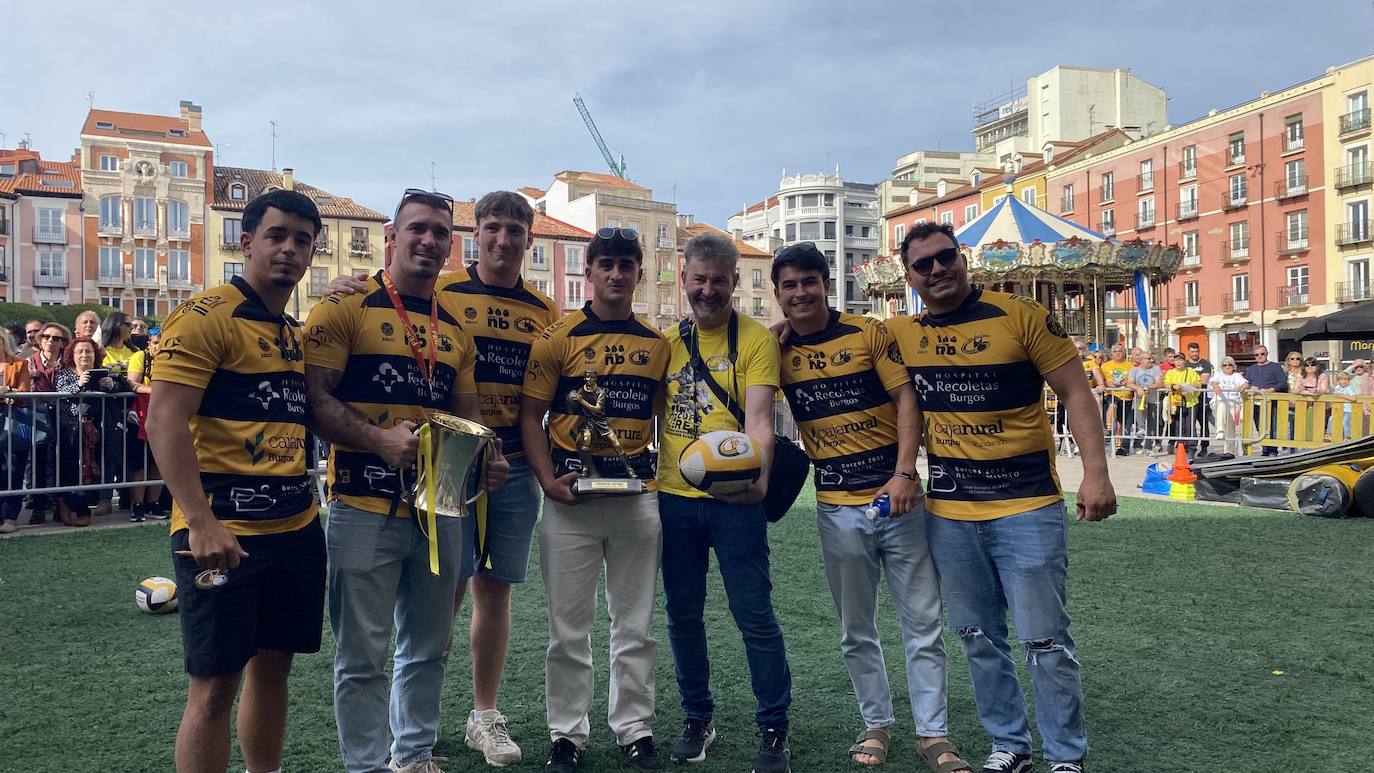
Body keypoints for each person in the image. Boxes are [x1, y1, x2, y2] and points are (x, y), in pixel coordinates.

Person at [324, 190, 559, 767]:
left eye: (437, 233)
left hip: (467, 482)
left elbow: (475, 410)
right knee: (384, 641)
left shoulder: (521, 314)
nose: (427, 242)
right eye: (417, 231)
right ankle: (374, 760)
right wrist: (347, 287)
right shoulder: (395, 299)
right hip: (369, 493)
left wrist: (489, 456)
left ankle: (436, 740)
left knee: (459, 616)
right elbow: (315, 394)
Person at [889, 222, 1115, 773]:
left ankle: (1065, 756)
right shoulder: (902, 332)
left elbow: (1076, 394)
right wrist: (781, 330)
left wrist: (1097, 474)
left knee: (1043, 637)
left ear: (962, 258)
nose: (937, 270)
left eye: (946, 258)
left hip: (1028, 507)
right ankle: (1008, 745)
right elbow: (838, 336)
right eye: (924, 264)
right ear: (910, 276)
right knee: (978, 637)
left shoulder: (1023, 317)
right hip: (950, 514)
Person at [145, 189, 328, 773]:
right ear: (246, 242)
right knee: (213, 688)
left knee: (274, 670)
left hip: (296, 527)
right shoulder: (204, 317)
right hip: (223, 531)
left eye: (302, 240)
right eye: (277, 236)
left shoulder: (292, 333)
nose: (290, 250)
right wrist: (199, 520)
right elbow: (163, 420)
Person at [771, 242, 971, 772]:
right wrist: (767, 341)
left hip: (898, 499)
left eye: (808, 282)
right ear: (778, 294)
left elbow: (908, 399)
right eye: (788, 285)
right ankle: (876, 723)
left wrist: (906, 473)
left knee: (923, 622)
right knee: (856, 628)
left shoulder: (867, 332)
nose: (800, 293)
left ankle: (934, 735)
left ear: (826, 284)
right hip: (836, 505)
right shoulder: (776, 350)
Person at [518, 227, 668, 773]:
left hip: (635, 498)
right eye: (606, 263)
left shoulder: (658, 343)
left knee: (636, 624)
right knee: (567, 627)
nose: (615, 274)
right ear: (589, 270)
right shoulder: (557, 337)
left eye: (626, 264)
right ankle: (567, 734)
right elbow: (529, 417)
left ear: (638, 273)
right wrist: (544, 479)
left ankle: (635, 728)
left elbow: (662, 419)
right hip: (569, 499)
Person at [655, 232, 792, 773]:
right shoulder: (665, 343)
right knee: (682, 614)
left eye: (718, 280)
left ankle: (774, 725)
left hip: (737, 500)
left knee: (754, 614)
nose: (708, 289)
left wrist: (756, 482)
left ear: (735, 281)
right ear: (683, 278)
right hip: (674, 498)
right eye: (699, 279)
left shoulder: (756, 341)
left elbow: (760, 420)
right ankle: (697, 716)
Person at [54, 336, 127, 526]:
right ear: (72, 354)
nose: (85, 355)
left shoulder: (105, 371)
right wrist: (78, 384)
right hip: (71, 428)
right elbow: (60, 391)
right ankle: (66, 505)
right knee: (73, 469)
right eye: (80, 351)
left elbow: (123, 388)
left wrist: (113, 386)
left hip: (98, 427)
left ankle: (86, 507)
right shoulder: (64, 373)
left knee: (93, 469)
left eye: (89, 351)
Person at [24, 322, 67, 524]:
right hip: (37, 416)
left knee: (63, 460)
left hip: (64, 416)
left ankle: (61, 506)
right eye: (47, 337)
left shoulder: (68, 362)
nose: (51, 341)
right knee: (38, 461)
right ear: (40, 340)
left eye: (56, 338)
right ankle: (39, 507)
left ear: (63, 342)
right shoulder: (29, 362)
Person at [126, 329, 167, 522]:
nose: (159, 346)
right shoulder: (139, 357)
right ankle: (138, 505)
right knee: (139, 463)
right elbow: (132, 384)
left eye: (163, 342)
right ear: (149, 343)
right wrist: (156, 391)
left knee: (159, 462)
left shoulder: (172, 359)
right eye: (156, 342)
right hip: (140, 416)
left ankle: (153, 503)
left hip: (165, 416)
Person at [0, 333, 32, 532]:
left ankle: (10, 516)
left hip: (13, 421)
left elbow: (25, 391)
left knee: (14, 468)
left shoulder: (19, 364)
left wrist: (7, 390)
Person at [1245, 346, 1288, 456]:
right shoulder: (1251, 369)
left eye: (1262, 354)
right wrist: (1250, 387)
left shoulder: (1275, 367)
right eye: (1257, 354)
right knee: (1260, 426)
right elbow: (1247, 382)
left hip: (1271, 402)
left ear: (1266, 354)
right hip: (1256, 402)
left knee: (1272, 426)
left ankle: (1273, 450)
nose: (1259, 356)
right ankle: (1265, 448)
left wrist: (1270, 390)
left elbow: (1282, 382)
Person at [1160, 353, 1201, 451]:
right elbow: (1166, 384)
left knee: (1191, 425)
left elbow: (1198, 382)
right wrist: (1174, 386)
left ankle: (1191, 447)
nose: (1178, 362)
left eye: (1180, 360)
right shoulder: (1170, 372)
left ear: (1184, 361)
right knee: (1179, 425)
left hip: (1191, 401)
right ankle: (1180, 445)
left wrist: (1190, 387)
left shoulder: (1190, 372)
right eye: (1176, 360)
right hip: (1176, 402)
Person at [1100, 344, 1134, 456]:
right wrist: (1109, 384)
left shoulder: (1130, 365)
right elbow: (1102, 381)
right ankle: (1109, 428)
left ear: (1123, 352)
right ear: (1111, 353)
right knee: (1112, 405)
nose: (1117, 353)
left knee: (1120, 423)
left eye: (1120, 351)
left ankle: (1119, 447)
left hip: (1126, 397)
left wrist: (1125, 382)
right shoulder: (1105, 366)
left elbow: (1132, 380)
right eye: (1115, 351)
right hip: (1111, 394)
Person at [1127, 352, 1164, 454]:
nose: (1151, 360)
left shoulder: (1155, 369)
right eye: (1148, 358)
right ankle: (1141, 431)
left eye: (1151, 358)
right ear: (1141, 360)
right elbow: (1129, 383)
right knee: (1141, 422)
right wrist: (1138, 388)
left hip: (1153, 400)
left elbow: (1159, 383)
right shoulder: (1134, 370)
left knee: (1153, 424)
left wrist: (1149, 387)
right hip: (1140, 399)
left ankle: (1149, 446)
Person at [1209, 357, 1249, 447]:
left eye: (1229, 365)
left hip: (1233, 404)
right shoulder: (1218, 374)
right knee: (1222, 405)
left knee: (1230, 427)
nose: (1227, 367)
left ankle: (1229, 452)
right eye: (1224, 365)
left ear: (1233, 366)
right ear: (1221, 367)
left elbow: (1245, 383)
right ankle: (1220, 430)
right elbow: (1213, 382)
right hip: (1219, 401)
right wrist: (1216, 387)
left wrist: (1242, 387)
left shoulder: (1237, 376)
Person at [1181, 343, 1213, 451]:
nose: (1195, 354)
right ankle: (1189, 446)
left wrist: (1190, 384)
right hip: (1188, 398)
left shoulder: (1205, 363)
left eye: (1196, 351)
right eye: (1192, 352)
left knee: (1203, 421)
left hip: (1202, 396)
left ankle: (1204, 447)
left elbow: (1203, 380)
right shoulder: (1184, 364)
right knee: (1189, 422)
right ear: (1188, 352)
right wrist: (1194, 383)